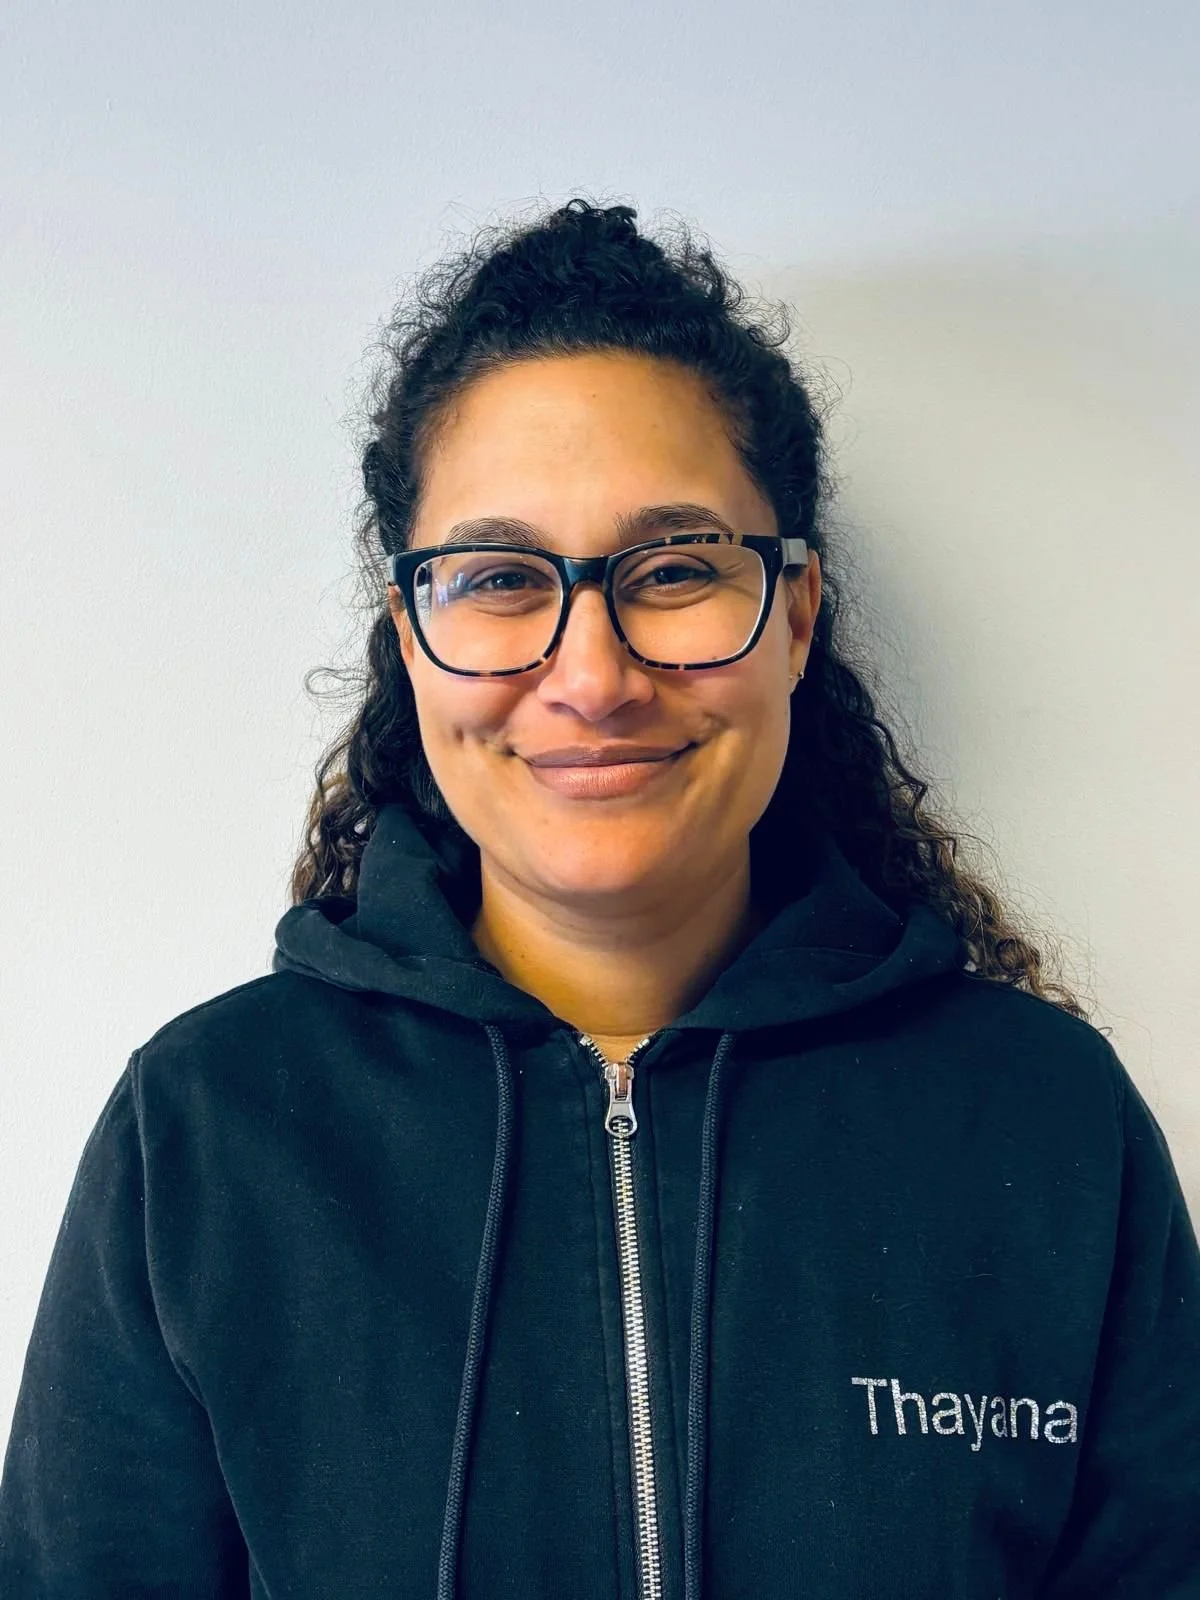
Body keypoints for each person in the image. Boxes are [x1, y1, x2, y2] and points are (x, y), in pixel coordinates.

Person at [1, 197, 1198, 1600]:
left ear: (796, 616)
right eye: (503, 579)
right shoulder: (209, 1129)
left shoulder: (1045, 1121)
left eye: (675, 569)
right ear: (412, 636)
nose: (591, 677)